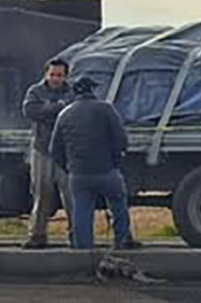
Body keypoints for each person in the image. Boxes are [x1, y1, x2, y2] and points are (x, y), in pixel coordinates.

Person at [49, 77, 138, 250]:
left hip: (79, 174)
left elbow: (54, 150)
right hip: (106, 170)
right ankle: (122, 241)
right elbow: (121, 140)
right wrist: (115, 161)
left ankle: (83, 249)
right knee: (118, 204)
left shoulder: (64, 114)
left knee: (82, 210)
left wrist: (69, 167)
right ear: (93, 90)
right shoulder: (106, 109)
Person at [21, 59, 75, 249]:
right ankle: (37, 235)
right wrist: (58, 107)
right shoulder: (35, 91)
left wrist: (47, 110)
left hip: (65, 151)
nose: (55, 78)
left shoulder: (72, 92)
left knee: (71, 195)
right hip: (42, 149)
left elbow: (73, 114)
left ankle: (76, 236)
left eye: (59, 75)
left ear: (65, 76)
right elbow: (30, 111)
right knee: (42, 194)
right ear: (46, 74)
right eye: (52, 74)